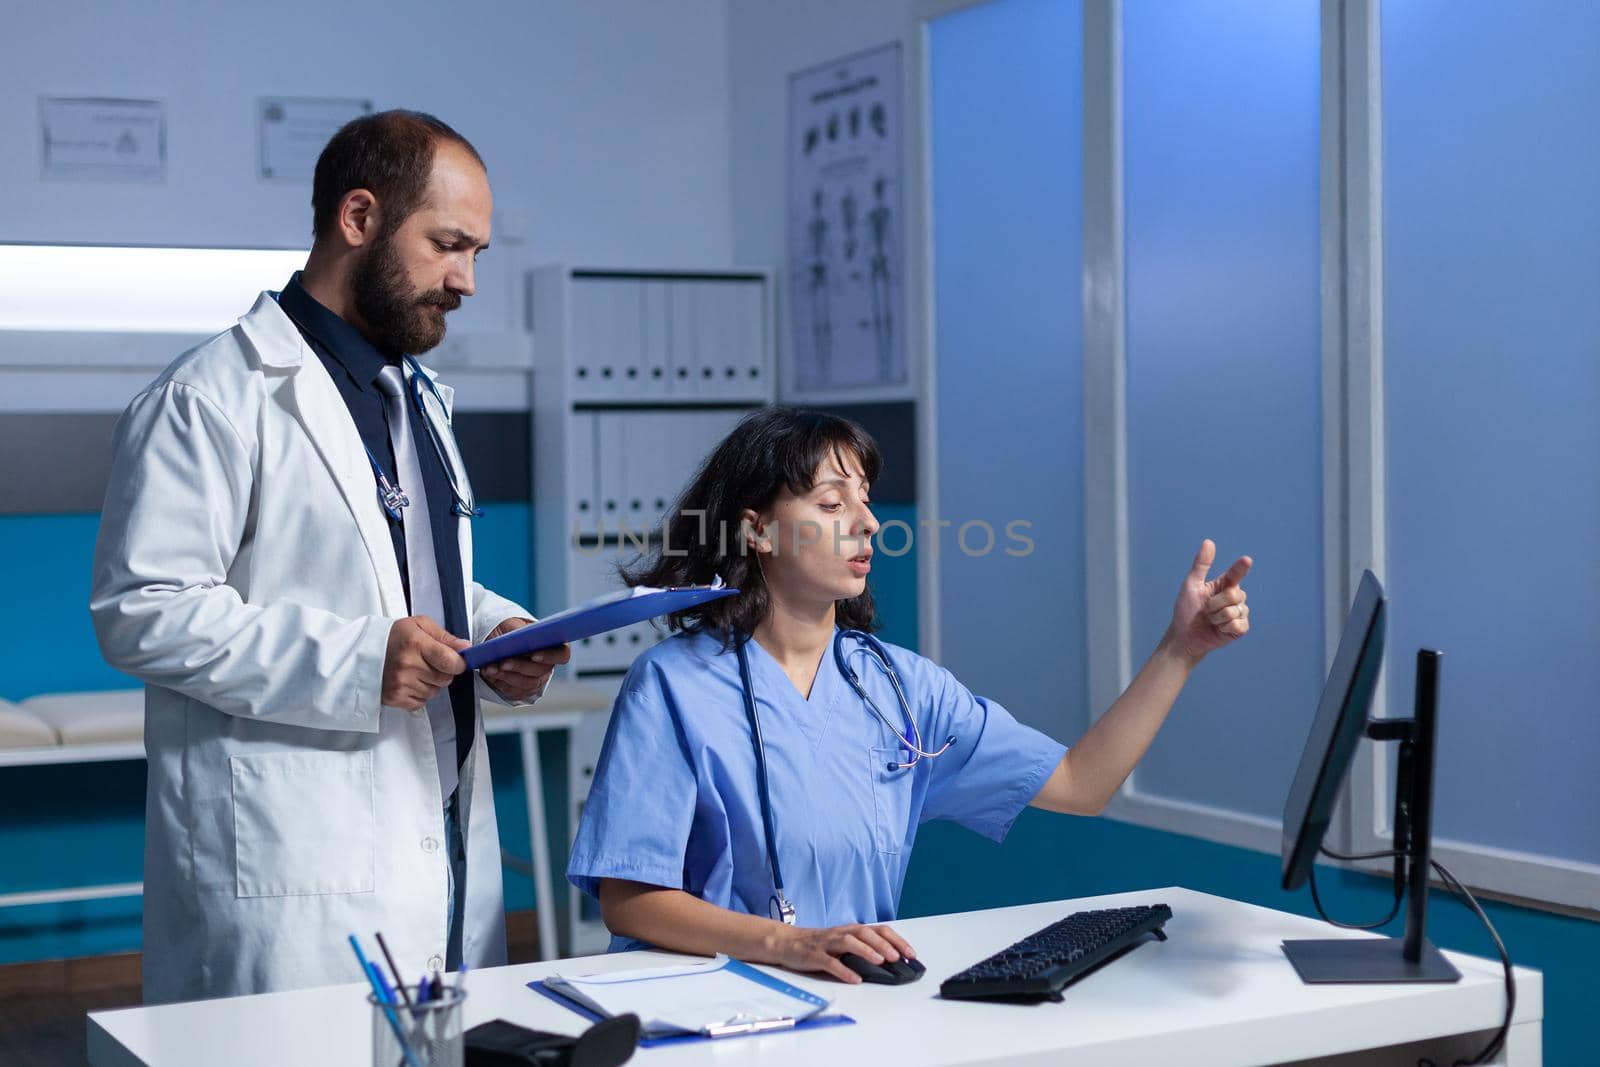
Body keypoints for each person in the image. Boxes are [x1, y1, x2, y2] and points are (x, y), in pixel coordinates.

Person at [90, 110, 568, 1003]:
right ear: (358, 219)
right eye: (447, 245)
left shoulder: (411, 398)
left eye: (477, 253)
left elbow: (398, 572)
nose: (466, 280)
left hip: (438, 826)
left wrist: (496, 627)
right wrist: (362, 660)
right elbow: (142, 612)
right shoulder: (210, 397)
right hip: (295, 851)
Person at [567, 408, 1251, 984]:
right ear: (758, 530)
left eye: (865, 499)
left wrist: (1179, 649)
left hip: (849, 999)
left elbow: (1081, 783)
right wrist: (790, 944)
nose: (866, 522)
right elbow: (631, 901)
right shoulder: (674, 685)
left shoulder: (900, 686)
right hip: (701, 999)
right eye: (832, 503)